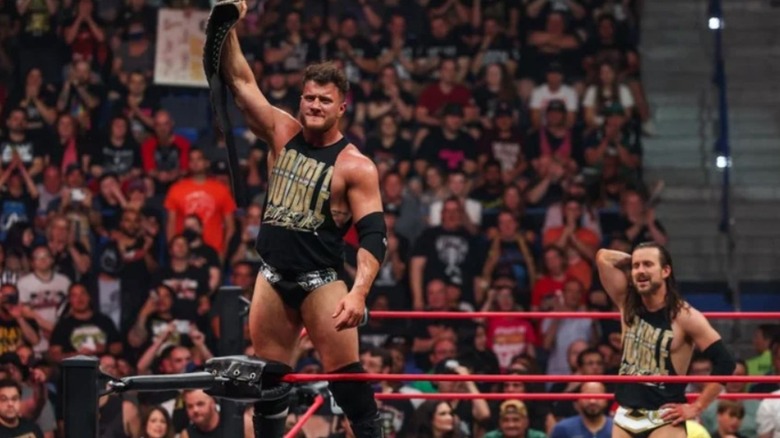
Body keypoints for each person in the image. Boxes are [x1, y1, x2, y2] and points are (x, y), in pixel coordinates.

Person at [219, 2, 387, 436]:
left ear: (341, 107)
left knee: (348, 383)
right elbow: (240, 82)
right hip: (272, 276)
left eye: (324, 100)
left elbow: (374, 234)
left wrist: (359, 293)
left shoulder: (356, 166)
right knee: (269, 383)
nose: (314, 105)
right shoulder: (282, 132)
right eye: (309, 97)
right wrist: (227, 27)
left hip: (321, 281)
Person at [596, 242, 736, 437]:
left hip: (665, 418)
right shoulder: (626, 303)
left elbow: (726, 362)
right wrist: (638, 262)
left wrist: (696, 407)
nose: (640, 271)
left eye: (648, 264)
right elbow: (603, 258)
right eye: (636, 266)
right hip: (625, 415)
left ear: (666, 271)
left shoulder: (685, 316)